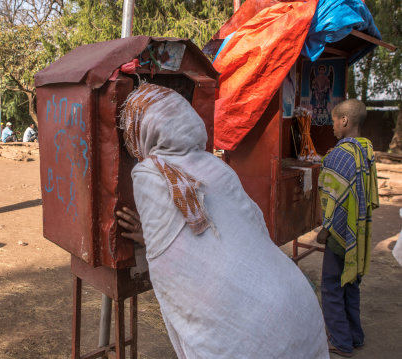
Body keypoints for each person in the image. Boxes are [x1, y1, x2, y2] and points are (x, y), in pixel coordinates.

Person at [116, 83, 329, 359]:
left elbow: (168, 255)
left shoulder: (148, 173)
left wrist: (148, 238)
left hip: (250, 331)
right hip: (298, 302)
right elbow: (243, 223)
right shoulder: (213, 163)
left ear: (139, 133)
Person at [316, 99, 379, 357]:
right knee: (351, 282)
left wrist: (326, 229)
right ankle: (356, 336)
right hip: (359, 230)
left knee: (331, 286)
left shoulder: (338, 155)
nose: (332, 126)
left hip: (339, 232)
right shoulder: (367, 150)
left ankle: (341, 342)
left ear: (345, 120)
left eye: (333, 120)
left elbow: (333, 198)